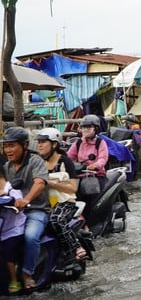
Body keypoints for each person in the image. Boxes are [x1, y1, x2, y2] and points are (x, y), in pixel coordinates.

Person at [2, 127, 49, 290]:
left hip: (35, 210)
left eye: (12, 146)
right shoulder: (7, 166)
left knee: (30, 236)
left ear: (25, 145)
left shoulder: (35, 161)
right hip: (12, 212)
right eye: (6, 146)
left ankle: (27, 273)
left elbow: (40, 183)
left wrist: (26, 199)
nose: (8, 150)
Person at [36, 128, 87, 262]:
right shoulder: (38, 163)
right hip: (44, 203)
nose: (39, 145)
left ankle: (76, 247)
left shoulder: (65, 161)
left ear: (54, 144)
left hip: (65, 202)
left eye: (43, 142)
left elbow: (73, 188)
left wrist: (52, 184)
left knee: (56, 219)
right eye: (38, 142)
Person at [0, 166, 26, 294]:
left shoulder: (12, 188)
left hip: (13, 228)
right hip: (2, 227)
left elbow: (19, 202)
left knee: (7, 252)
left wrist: (14, 201)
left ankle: (14, 280)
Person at [67, 114, 109, 184]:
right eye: (83, 127)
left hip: (96, 175)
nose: (85, 129)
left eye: (89, 127)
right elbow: (69, 156)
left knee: (92, 193)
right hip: (80, 175)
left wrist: (95, 165)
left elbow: (103, 158)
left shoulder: (100, 142)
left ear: (96, 129)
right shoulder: (78, 143)